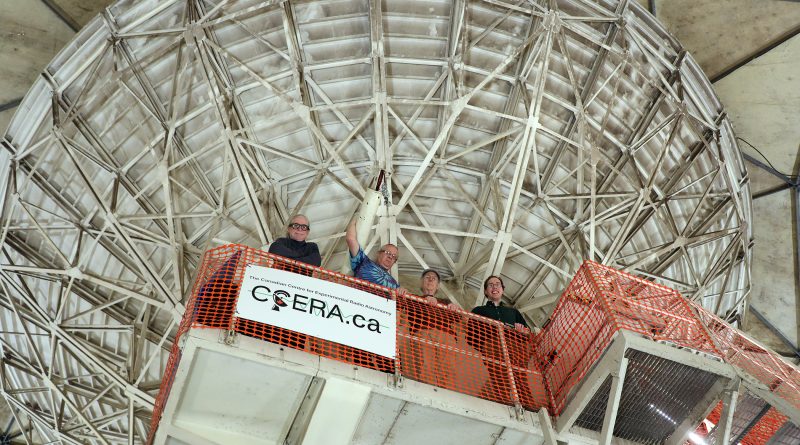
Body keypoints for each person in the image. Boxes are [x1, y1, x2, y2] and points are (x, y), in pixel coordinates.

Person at [345, 218, 407, 295]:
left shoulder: (395, 284)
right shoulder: (364, 261)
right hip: (356, 301)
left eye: (394, 257)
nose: (391, 257)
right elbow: (350, 239)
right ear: (378, 253)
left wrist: (402, 290)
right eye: (388, 253)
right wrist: (356, 218)